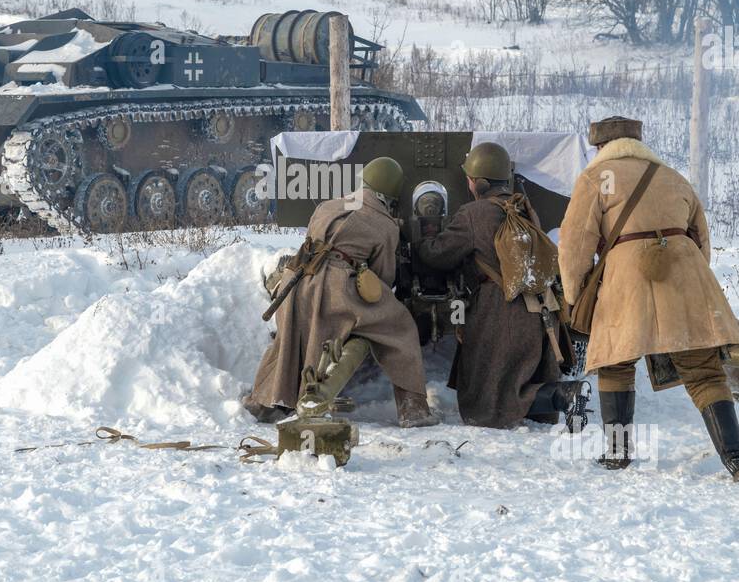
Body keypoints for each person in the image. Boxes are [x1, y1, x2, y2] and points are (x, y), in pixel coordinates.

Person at [558, 116, 739, 480]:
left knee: (615, 364)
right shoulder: (672, 176)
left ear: (600, 148)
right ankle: (737, 458)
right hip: (685, 273)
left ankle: (617, 453)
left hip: (625, 279)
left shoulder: (596, 178)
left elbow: (575, 244)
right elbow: (701, 239)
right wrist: (690, 284)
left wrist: (574, 294)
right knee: (704, 370)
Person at [244, 156, 436, 428]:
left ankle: (264, 402)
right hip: (337, 288)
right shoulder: (385, 223)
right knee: (400, 327)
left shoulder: (329, 205)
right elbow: (383, 277)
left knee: (288, 338)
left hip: (295, 282)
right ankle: (413, 409)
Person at [414, 141, 579, 428]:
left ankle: (564, 396)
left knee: (484, 404)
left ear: (478, 183)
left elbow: (439, 255)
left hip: (500, 312)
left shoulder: (473, 214)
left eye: (469, 179)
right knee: (519, 380)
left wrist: (425, 236)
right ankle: (557, 395)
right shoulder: (523, 208)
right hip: (538, 309)